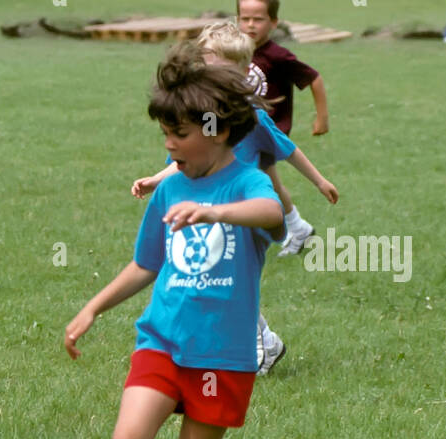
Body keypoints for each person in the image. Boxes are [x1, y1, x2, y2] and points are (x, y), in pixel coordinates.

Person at [63, 41, 284, 439]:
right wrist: (93, 307)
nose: (168, 144)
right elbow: (146, 263)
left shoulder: (247, 183)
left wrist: (214, 211)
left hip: (221, 355)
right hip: (161, 340)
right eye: (164, 132)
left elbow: (273, 216)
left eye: (179, 134)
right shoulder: (169, 187)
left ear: (217, 129)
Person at [132, 22, 339, 375]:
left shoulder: (249, 118)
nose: (211, 79)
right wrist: (155, 180)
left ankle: (259, 344)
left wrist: (319, 181)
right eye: (206, 70)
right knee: (209, 276)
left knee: (226, 279)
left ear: (243, 74)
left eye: (221, 72)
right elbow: (183, 163)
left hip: (242, 210)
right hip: (201, 208)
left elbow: (287, 149)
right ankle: (262, 341)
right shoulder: (199, 117)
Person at [236, 0, 329, 257]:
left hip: (269, 129)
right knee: (266, 180)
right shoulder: (236, 52)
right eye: (245, 18)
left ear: (274, 22)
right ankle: (295, 228)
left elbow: (314, 78)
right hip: (245, 130)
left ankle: (283, 227)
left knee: (258, 178)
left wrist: (322, 117)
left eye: (258, 19)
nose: (250, 25)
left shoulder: (278, 56)